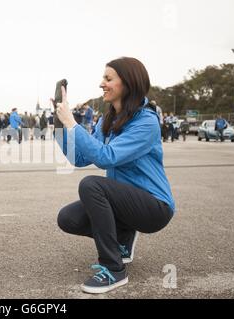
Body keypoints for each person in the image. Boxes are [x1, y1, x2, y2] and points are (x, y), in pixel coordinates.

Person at [54, 57, 175, 294]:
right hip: (125, 204)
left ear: (128, 84)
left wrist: (72, 123)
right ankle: (123, 238)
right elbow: (80, 159)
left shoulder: (147, 122)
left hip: (155, 207)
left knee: (92, 185)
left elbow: (106, 157)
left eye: (108, 79)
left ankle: (114, 269)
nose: (102, 84)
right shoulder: (107, 120)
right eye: (103, 78)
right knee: (67, 218)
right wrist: (60, 127)